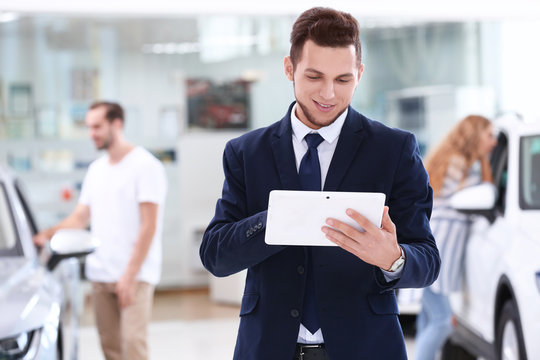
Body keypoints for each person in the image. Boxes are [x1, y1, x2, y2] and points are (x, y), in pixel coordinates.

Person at [200, 7, 440, 359]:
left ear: (359, 74)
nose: (328, 94)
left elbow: (428, 260)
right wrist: (280, 218)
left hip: (367, 349)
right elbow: (216, 255)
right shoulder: (246, 153)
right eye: (314, 76)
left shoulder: (393, 149)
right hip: (268, 348)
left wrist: (394, 258)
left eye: (343, 79)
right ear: (289, 69)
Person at [34, 101, 167, 360]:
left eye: (97, 126)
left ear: (117, 124)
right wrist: (47, 234)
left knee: (133, 346)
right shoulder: (96, 170)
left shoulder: (146, 166)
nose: (91, 133)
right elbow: (80, 217)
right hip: (100, 272)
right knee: (110, 348)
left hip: (135, 274)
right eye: (89, 127)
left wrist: (129, 275)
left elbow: (149, 225)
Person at [415, 115, 497, 360]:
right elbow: (485, 195)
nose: (493, 142)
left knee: (429, 318)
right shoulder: (463, 167)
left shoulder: (454, 162)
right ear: (475, 136)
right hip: (440, 249)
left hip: (431, 244)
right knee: (443, 321)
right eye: (489, 135)